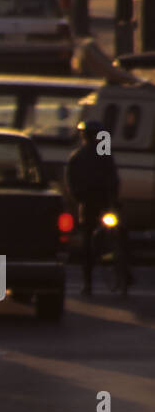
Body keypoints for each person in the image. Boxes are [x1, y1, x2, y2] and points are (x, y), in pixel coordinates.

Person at [66, 119, 126, 295]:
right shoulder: (100, 155)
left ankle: (89, 283)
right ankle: (120, 273)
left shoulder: (79, 156)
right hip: (101, 203)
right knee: (113, 235)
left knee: (91, 240)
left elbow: (72, 184)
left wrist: (79, 198)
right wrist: (113, 198)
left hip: (93, 203)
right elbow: (114, 179)